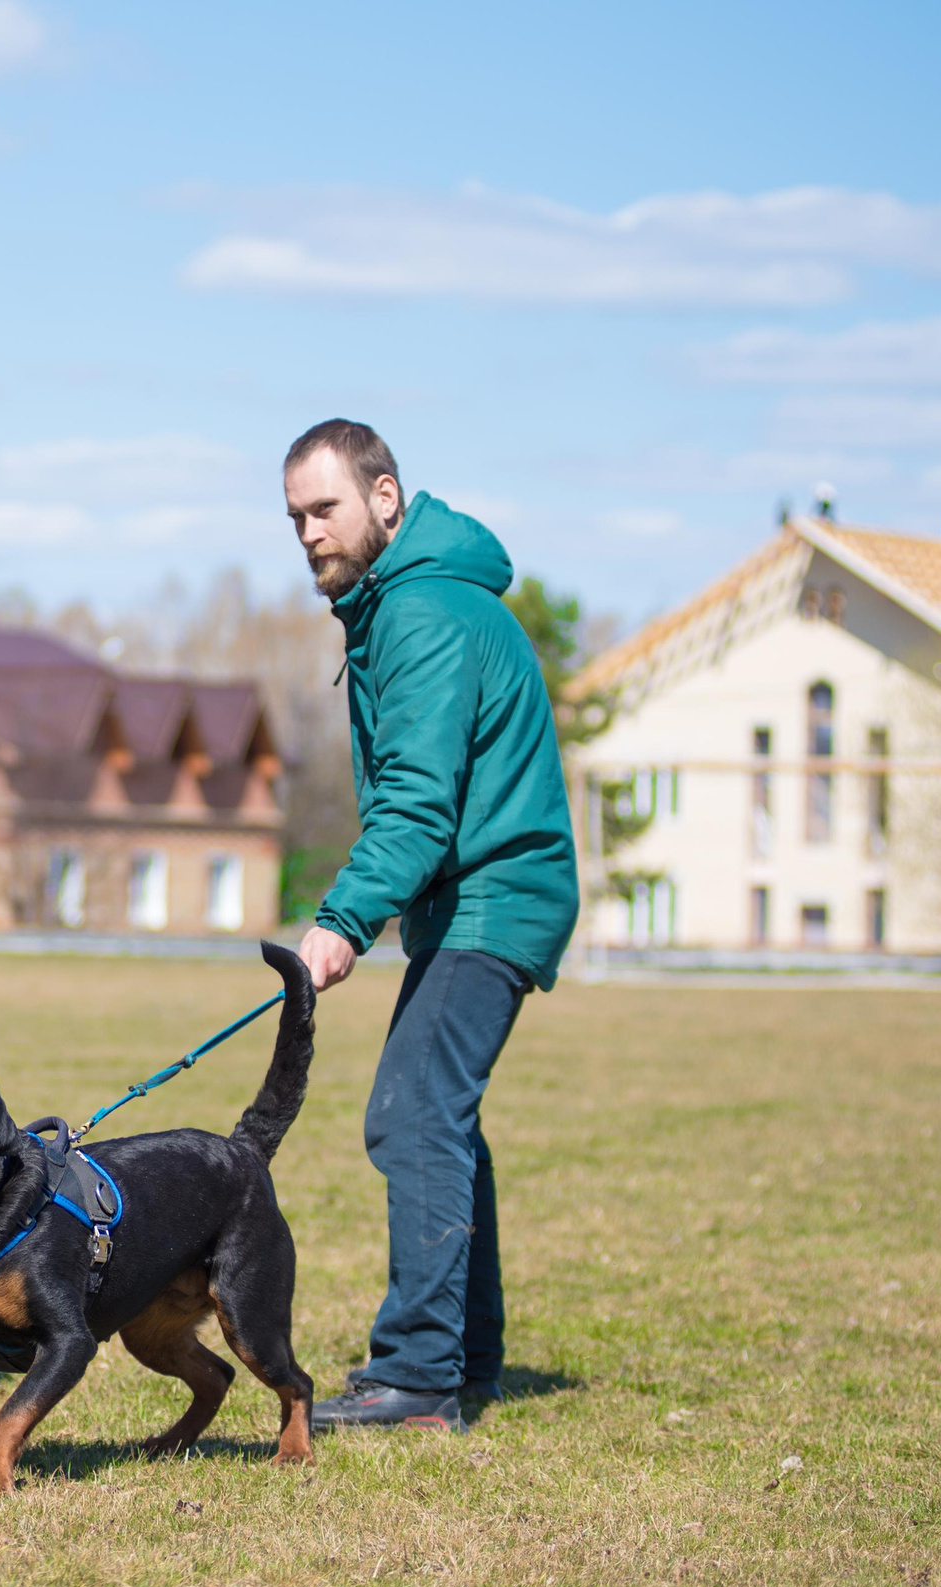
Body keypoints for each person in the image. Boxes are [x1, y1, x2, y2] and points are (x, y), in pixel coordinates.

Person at [282, 419, 579, 1436]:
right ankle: (464, 1357)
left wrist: (342, 920)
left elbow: (417, 803)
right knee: (432, 1110)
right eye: (295, 518)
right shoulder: (400, 604)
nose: (310, 532)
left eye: (325, 508)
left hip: (498, 891)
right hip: (475, 894)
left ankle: (414, 1376)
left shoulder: (420, 613)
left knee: (411, 1109)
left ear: (386, 499)